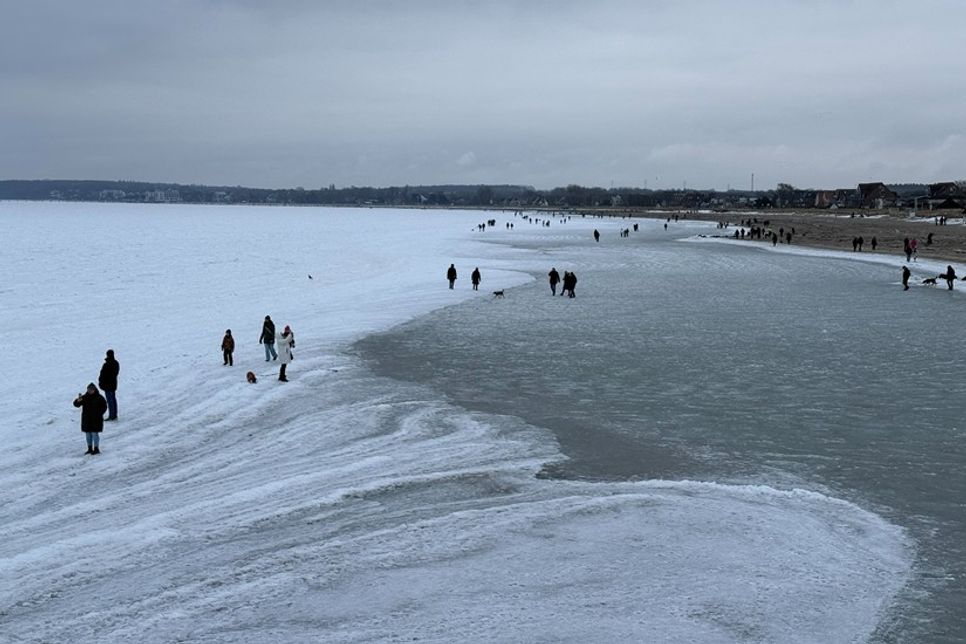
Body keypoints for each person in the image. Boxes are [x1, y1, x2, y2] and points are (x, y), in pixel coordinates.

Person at [73, 383, 107, 455]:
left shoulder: (99, 397)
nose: (90, 391)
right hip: (87, 419)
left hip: (96, 419)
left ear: (94, 390)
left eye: (91, 390)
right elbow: (76, 404)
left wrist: (99, 414)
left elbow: (104, 406)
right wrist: (77, 401)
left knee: (94, 434)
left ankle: (96, 448)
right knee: (88, 434)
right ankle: (89, 448)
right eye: (88, 390)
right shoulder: (85, 397)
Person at [98, 349, 119, 421]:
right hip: (113, 385)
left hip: (107, 385)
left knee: (110, 400)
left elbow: (103, 375)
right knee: (113, 399)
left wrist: (101, 383)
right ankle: (114, 414)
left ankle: (112, 416)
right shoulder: (116, 363)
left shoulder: (107, 364)